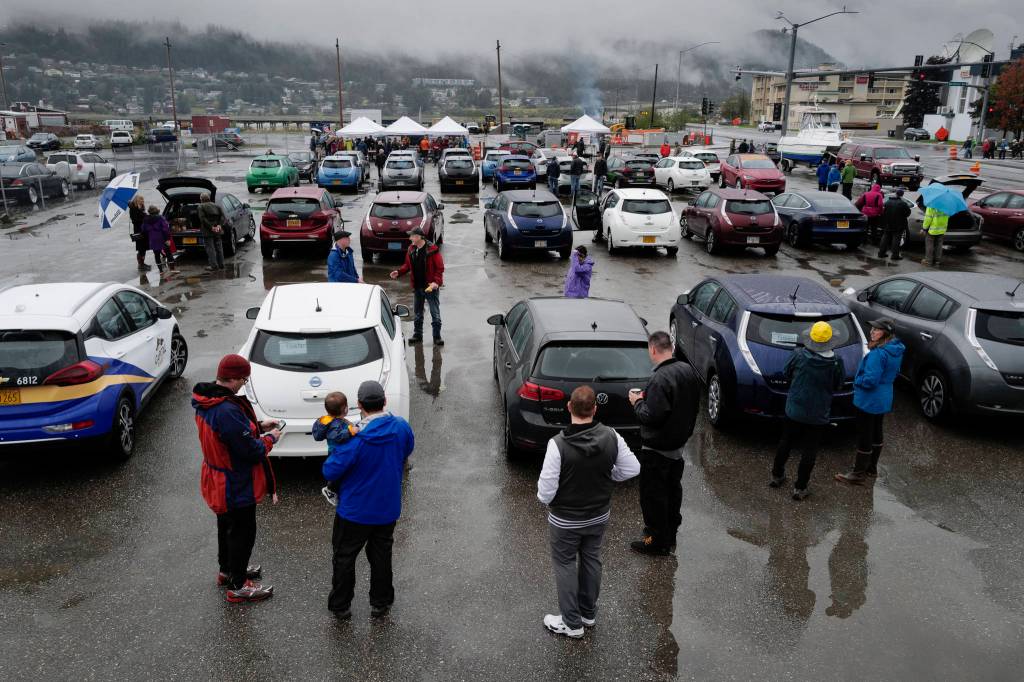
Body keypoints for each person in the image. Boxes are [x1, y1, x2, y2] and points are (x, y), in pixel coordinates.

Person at [537, 385, 640, 639]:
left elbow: (545, 493)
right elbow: (633, 468)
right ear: (594, 409)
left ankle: (572, 624)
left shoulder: (557, 445)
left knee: (565, 564)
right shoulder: (612, 436)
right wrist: (609, 476)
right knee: (591, 559)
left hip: (565, 520)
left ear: (569, 407)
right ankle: (587, 614)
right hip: (598, 515)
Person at [192, 354, 281, 603]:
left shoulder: (208, 400)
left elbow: (230, 436)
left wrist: (258, 427)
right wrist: (270, 438)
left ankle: (228, 570)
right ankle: (239, 585)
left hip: (217, 477)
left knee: (226, 526)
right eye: (243, 379)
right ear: (233, 378)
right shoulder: (227, 410)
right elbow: (250, 451)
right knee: (243, 531)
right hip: (234, 482)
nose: (244, 383)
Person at [323, 380, 415, 619]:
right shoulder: (401, 427)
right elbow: (407, 449)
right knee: (381, 555)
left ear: (359, 405)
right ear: (384, 402)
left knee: (345, 557)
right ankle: (381, 602)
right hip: (387, 508)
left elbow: (330, 471)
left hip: (354, 511)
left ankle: (341, 606)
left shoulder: (355, 440)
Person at [628, 331, 701, 556]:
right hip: (677, 448)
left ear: (652, 349)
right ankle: (669, 534)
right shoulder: (687, 370)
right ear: (670, 346)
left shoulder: (660, 378)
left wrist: (637, 401)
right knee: (672, 491)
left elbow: (651, 416)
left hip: (657, 450)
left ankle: (654, 541)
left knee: (652, 498)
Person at [769, 321, 845, 501]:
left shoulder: (798, 355)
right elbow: (838, 385)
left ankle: (776, 475)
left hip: (794, 408)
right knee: (810, 450)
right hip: (818, 413)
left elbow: (786, 372)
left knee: (786, 441)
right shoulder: (836, 362)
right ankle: (800, 488)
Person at [836, 319, 905, 485]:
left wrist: (857, 381)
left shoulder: (878, 354)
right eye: (873, 329)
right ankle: (871, 468)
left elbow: (870, 381)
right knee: (876, 430)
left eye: (877, 330)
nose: (872, 332)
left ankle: (858, 474)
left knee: (865, 434)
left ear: (885, 334)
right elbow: (896, 373)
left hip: (869, 399)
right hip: (884, 396)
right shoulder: (896, 350)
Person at [390, 228, 445, 345]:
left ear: (419, 237)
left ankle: (437, 337)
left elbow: (440, 268)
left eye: (412, 236)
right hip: (418, 287)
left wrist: (436, 282)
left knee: (435, 313)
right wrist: (399, 272)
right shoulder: (411, 249)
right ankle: (417, 335)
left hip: (430, 287)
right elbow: (407, 265)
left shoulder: (432, 250)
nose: (410, 239)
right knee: (418, 313)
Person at [314, 391, 359, 507]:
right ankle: (330, 489)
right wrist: (350, 431)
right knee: (338, 472)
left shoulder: (332, 421)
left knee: (341, 471)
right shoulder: (334, 424)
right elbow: (336, 436)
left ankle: (337, 489)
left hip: (338, 451)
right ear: (345, 409)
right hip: (337, 452)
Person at [878, 188, 911, 262]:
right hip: (899, 225)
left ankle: (881, 253)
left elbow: (883, 212)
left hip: (888, 223)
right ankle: (895, 255)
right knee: (896, 239)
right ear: (902, 195)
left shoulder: (888, 202)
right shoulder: (903, 204)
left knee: (885, 237)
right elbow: (908, 213)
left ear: (896, 194)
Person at [197, 192, 226, 271]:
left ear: (201, 199)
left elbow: (202, 219)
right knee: (219, 247)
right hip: (218, 230)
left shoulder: (201, 206)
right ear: (209, 198)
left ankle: (214, 266)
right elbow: (223, 217)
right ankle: (222, 264)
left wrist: (211, 227)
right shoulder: (217, 205)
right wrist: (219, 225)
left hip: (208, 231)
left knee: (210, 248)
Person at [141, 205, 173, 272]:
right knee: (168, 253)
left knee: (157, 255)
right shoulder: (160, 218)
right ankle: (172, 269)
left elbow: (143, 229)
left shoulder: (145, 219)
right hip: (162, 238)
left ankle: (161, 271)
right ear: (156, 210)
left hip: (152, 239)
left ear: (149, 211)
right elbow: (165, 229)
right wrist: (167, 238)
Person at [128, 194, 150, 271]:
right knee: (141, 248)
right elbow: (135, 220)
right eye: (141, 200)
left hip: (144, 230)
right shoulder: (133, 209)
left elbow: (142, 216)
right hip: (138, 230)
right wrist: (144, 217)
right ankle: (141, 265)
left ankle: (142, 263)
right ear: (137, 200)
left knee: (144, 248)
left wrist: (145, 216)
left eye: (143, 200)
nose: (143, 201)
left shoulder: (141, 207)